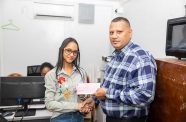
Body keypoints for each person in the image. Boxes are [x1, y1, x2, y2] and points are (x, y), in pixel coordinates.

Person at [84, 17, 157, 122]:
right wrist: (94, 99)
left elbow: (145, 95)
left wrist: (108, 93)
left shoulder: (140, 58)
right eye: (111, 32)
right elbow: (107, 86)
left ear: (130, 33)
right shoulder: (115, 56)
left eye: (119, 32)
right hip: (112, 118)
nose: (114, 36)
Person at [44, 37, 89, 122]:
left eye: (75, 52)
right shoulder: (51, 75)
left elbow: (84, 99)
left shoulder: (82, 72)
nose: (72, 55)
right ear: (62, 50)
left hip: (79, 117)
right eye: (68, 50)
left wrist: (84, 100)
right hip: (60, 118)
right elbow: (49, 104)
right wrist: (76, 106)